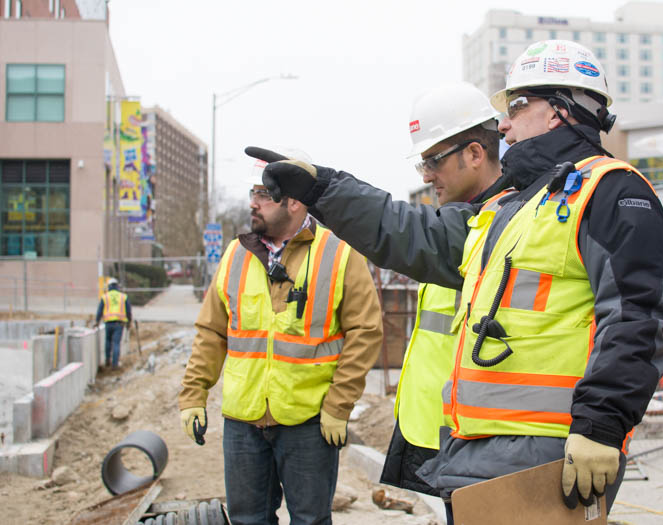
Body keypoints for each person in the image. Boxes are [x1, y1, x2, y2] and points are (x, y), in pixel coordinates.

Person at [251, 39, 663, 523]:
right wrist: (324, 189)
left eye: (517, 106)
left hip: (547, 452)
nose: (503, 124)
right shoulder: (513, 206)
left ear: (560, 111)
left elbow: (638, 317)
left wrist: (602, 424)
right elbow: (413, 233)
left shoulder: (611, 190)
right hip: (477, 448)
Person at [178, 153, 383, 525]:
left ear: (293, 201)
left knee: (310, 520)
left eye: (263, 194)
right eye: (252, 193)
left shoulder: (339, 254)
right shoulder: (235, 255)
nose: (253, 203)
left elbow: (365, 332)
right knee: (248, 520)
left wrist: (339, 406)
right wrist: (193, 394)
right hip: (244, 421)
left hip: (308, 422)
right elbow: (211, 331)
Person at [380, 81, 510, 497]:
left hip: (473, 436)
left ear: (475, 153)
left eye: (434, 159)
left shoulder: (508, 224)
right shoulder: (452, 224)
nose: (427, 175)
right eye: (422, 163)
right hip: (433, 429)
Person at [95, 277, 131, 369]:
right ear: (117, 286)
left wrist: (97, 321)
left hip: (108, 323)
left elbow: (99, 311)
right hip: (119, 323)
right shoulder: (123, 296)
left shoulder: (105, 296)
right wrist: (129, 321)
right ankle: (115, 364)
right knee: (116, 343)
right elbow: (128, 311)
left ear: (109, 286)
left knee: (108, 341)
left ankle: (107, 360)